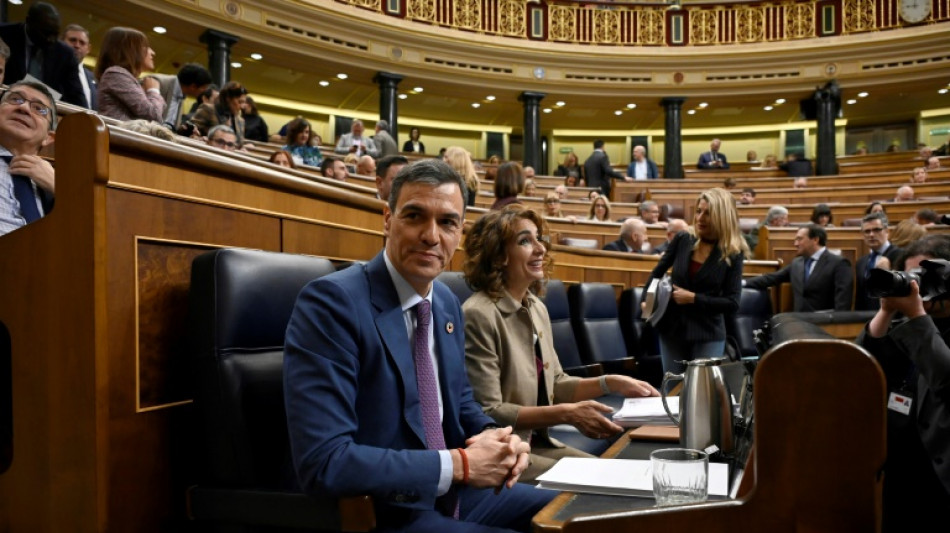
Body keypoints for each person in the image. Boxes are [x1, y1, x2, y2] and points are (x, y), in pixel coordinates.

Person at [283, 159, 556, 532]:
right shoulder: (332, 303)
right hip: (389, 510)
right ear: (387, 219)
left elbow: (461, 403)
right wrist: (460, 464)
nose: (431, 236)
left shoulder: (445, 302)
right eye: (414, 216)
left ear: (459, 232)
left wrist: (500, 440)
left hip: (456, 494)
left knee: (580, 515)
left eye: (447, 222)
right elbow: (325, 461)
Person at [462, 205, 658, 481]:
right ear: (498, 255)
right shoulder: (479, 314)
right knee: (611, 480)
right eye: (525, 241)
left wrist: (610, 382)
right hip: (503, 452)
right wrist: (566, 414)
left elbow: (557, 383)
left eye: (539, 238)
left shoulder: (535, 307)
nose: (540, 249)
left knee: (624, 475)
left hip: (538, 443)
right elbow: (490, 412)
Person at [855, 234, 950, 532]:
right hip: (900, 462)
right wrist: (886, 310)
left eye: (922, 277)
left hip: (941, 470)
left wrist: (917, 314)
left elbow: (945, 378)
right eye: (910, 276)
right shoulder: (910, 320)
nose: (915, 287)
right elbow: (864, 363)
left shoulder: (919, 320)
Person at [644, 188, 746, 374]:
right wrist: (647, 301)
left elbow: (732, 303)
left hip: (708, 332)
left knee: (701, 395)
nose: (700, 218)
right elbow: (657, 273)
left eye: (708, 213)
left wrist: (694, 298)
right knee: (673, 389)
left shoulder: (733, 253)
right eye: (699, 211)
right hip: (672, 329)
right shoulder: (683, 238)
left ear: (722, 216)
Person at [744, 224, 854, 312]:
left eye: (799, 239)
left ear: (815, 239)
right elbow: (772, 278)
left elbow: (843, 304)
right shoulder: (797, 263)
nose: (795, 243)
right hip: (799, 323)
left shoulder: (839, 263)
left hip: (824, 325)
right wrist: (743, 283)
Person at [0, 2, 87, 108]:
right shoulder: (4, 35)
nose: (51, 39)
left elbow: (77, 100)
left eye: (55, 34)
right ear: (29, 21)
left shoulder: (65, 54)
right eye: (46, 33)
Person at [0, 80, 57, 237]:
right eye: (15, 99)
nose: (23, 108)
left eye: (39, 109)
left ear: (48, 137)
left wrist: (59, 187)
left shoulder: (53, 185)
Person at [95, 27, 165, 123]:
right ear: (129, 50)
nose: (152, 52)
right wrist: (153, 90)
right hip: (117, 137)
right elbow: (153, 115)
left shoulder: (124, 77)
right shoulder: (116, 74)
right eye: (145, 46)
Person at [854, 212, 901, 311]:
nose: (871, 234)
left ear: (887, 231)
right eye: (867, 231)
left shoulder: (900, 256)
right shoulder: (861, 262)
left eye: (876, 230)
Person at [147, 63, 212, 133]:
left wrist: (181, 130)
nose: (205, 91)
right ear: (193, 86)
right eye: (204, 88)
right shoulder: (156, 82)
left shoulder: (182, 94)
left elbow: (168, 125)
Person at [191, 81, 248, 145]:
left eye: (244, 102)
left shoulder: (240, 121)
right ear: (228, 98)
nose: (242, 107)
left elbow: (239, 144)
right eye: (240, 102)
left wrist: (244, 146)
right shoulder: (208, 109)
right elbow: (190, 131)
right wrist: (200, 139)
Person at [61, 24, 96, 110]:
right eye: (72, 40)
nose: (77, 45)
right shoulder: (49, 68)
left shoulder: (94, 78)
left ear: (88, 49)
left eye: (82, 43)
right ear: (61, 42)